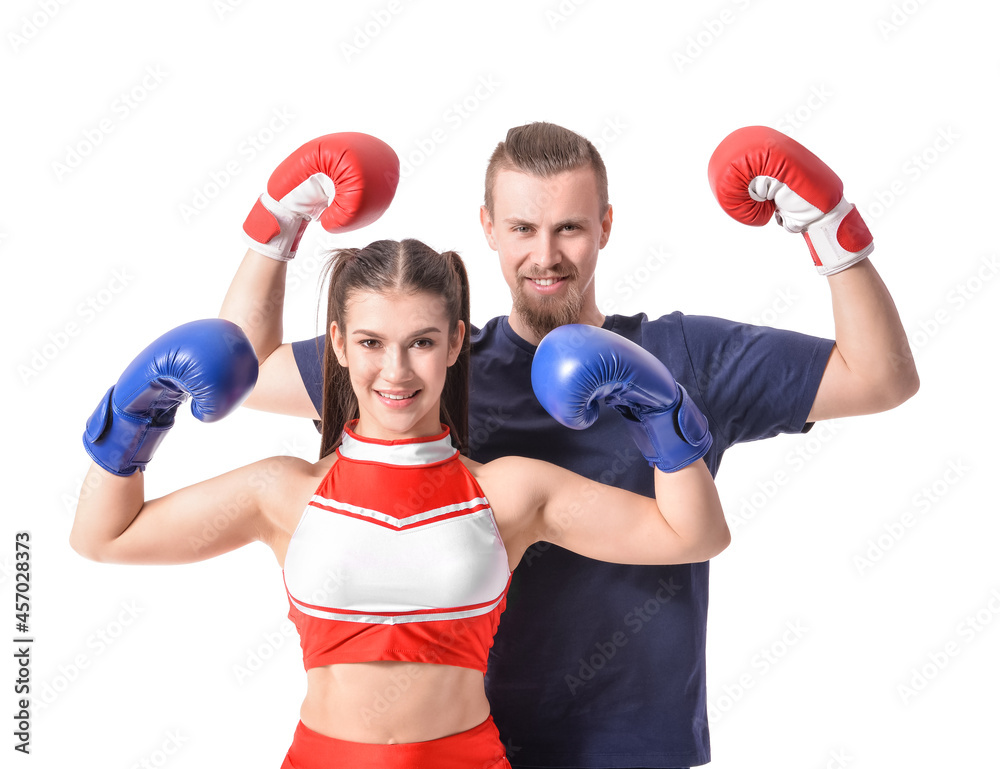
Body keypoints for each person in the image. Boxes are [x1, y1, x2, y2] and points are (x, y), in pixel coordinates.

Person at [220, 125, 919, 768]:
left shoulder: (682, 355)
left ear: (606, 227)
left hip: (632, 743)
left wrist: (830, 230)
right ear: (488, 228)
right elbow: (238, 371)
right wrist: (275, 225)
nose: (546, 255)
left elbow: (881, 377)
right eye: (522, 227)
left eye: (571, 228)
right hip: (462, 742)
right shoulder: (428, 368)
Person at [71, 238, 731, 768]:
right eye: (371, 342)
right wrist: (136, 416)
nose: (396, 369)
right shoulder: (282, 492)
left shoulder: (510, 491)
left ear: (453, 344)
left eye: (420, 341)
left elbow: (691, 533)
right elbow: (105, 535)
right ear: (337, 344)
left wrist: (662, 414)